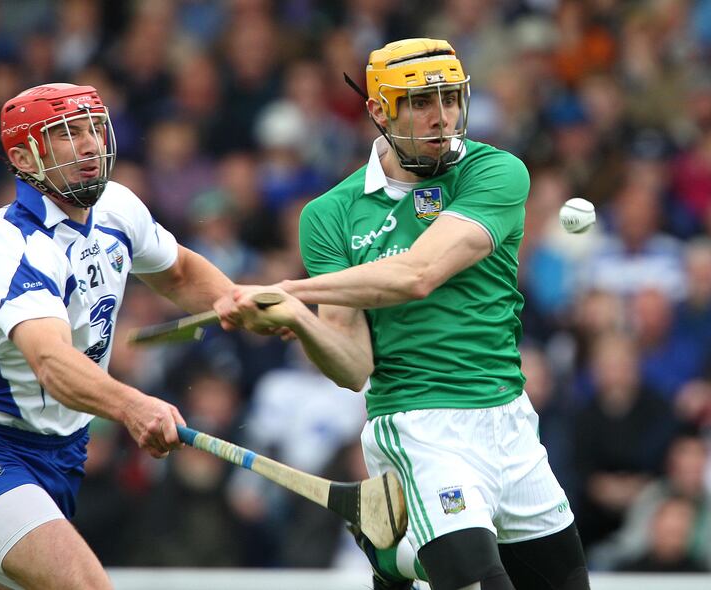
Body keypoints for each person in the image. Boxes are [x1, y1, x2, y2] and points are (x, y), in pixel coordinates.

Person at [215, 39, 590, 590]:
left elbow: (419, 273)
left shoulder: (497, 171)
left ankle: (399, 555)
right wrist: (300, 319)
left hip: (510, 420)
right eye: (420, 103)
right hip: (419, 427)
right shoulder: (330, 215)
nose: (442, 118)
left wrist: (290, 287)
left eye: (451, 99)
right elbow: (352, 367)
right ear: (378, 111)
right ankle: (406, 555)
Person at [0, 83, 233, 589]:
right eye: (67, 134)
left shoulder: (116, 207)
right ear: (23, 157)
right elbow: (52, 363)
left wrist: (236, 301)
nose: (89, 144)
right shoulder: (17, 246)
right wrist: (134, 407)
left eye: (92, 128)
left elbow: (177, 274)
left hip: (62, 453)